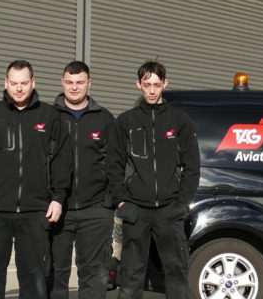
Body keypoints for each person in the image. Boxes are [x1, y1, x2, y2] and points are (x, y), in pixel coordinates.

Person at [0, 60, 71, 299]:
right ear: (5, 83)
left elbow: (62, 161)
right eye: (13, 83)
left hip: (35, 211)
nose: (19, 88)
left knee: (34, 279)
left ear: (33, 83)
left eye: (24, 83)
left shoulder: (50, 116)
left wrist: (58, 198)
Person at [107, 61, 200, 299]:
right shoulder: (125, 121)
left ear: (165, 84)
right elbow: (113, 165)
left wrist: (182, 203)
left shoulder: (179, 120)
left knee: (176, 272)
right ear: (138, 85)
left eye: (156, 85)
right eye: (146, 84)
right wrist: (121, 202)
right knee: (131, 275)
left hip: (169, 210)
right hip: (135, 211)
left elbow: (192, 165)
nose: (151, 90)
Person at [49, 61, 116, 299]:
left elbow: (116, 163)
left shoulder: (104, 119)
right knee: (54, 275)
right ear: (62, 83)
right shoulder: (48, 116)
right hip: (56, 210)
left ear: (89, 83)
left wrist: (109, 202)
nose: (74, 87)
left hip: (95, 210)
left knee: (94, 275)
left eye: (80, 82)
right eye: (69, 82)